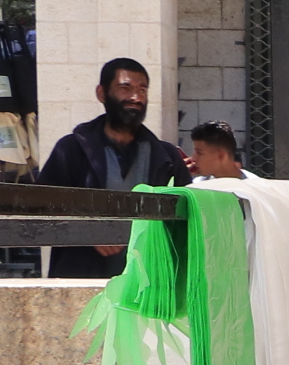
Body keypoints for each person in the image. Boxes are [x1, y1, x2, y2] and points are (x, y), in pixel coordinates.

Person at [37, 58, 186, 279]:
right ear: (102, 93)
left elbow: (186, 218)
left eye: (142, 90)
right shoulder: (72, 150)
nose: (136, 98)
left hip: (149, 287)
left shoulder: (166, 158)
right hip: (83, 280)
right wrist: (87, 232)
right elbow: (39, 211)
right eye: (125, 88)